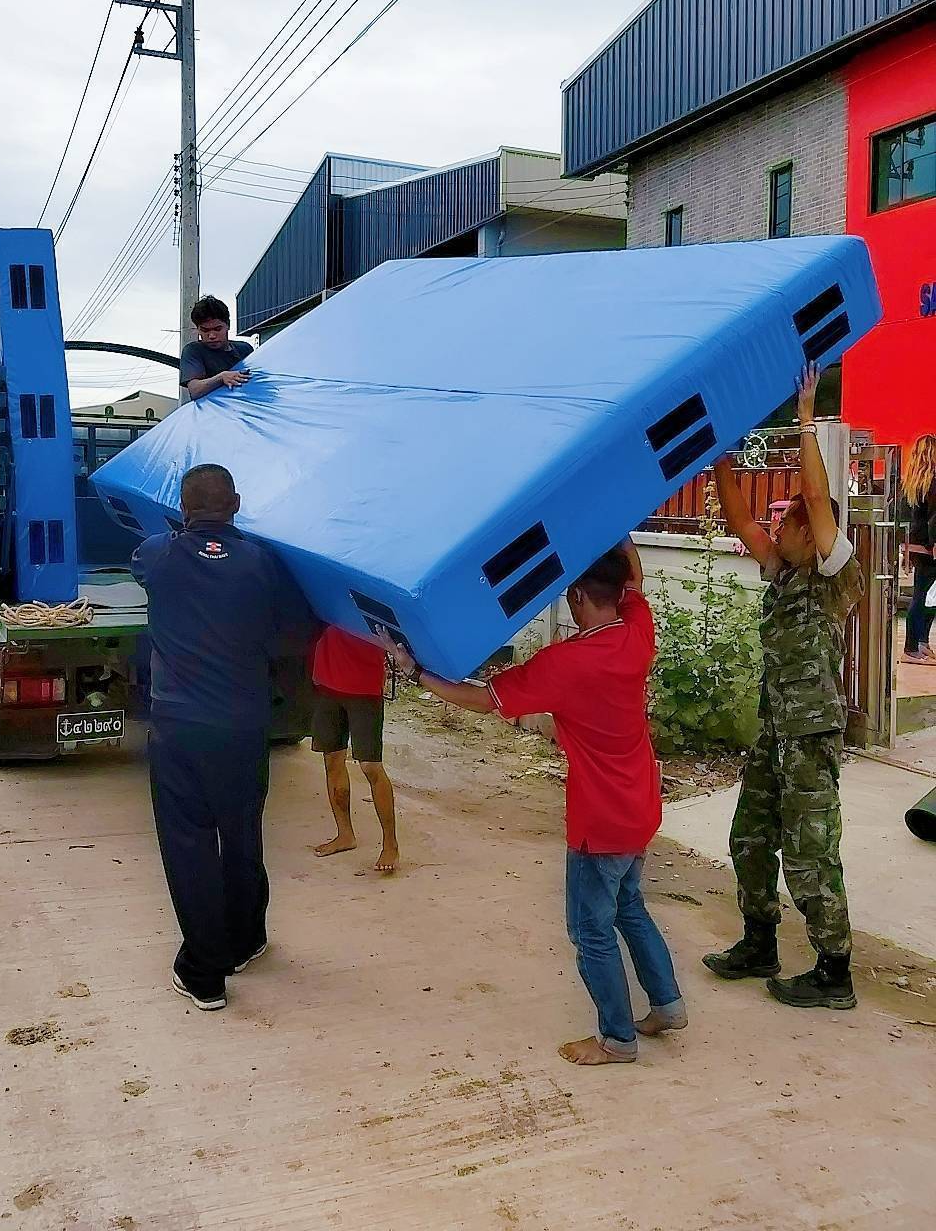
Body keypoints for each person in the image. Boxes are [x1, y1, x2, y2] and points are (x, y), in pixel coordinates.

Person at [381, 538, 686, 1069]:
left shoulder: (566, 664)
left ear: (576, 596)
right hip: (640, 806)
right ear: (617, 593)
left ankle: (617, 1040)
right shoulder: (636, 631)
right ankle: (668, 1005)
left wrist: (414, 672)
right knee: (629, 906)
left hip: (600, 820)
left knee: (590, 929)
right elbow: (634, 578)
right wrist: (615, 525)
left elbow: (485, 699)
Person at [705, 365, 863, 1010]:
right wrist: (719, 454)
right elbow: (741, 520)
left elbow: (818, 499)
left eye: (788, 525)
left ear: (808, 532)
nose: (778, 533)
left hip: (811, 734)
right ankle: (759, 941)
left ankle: (834, 970)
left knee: (810, 849)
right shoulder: (785, 573)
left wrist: (805, 419)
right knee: (749, 835)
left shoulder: (834, 574)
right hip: (776, 730)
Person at [132, 464, 317, 1010]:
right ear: (236, 504)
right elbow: (295, 631)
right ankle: (246, 938)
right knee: (241, 833)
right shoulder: (263, 562)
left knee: (188, 843)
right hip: (242, 725)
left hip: (178, 727)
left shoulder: (157, 555)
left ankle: (204, 974)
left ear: (182, 508)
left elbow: (151, 560)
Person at [310, 625, 398, 873]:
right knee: (332, 759)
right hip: (327, 681)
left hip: (364, 686)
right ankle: (345, 835)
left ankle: (390, 844)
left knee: (370, 767)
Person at [901, 434, 936, 665]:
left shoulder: (911, 483)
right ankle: (913, 647)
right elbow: (934, 519)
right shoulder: (933, 483)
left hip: (916, 545)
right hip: (929, 547)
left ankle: (920, 643)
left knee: (924, 594)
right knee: (925, 596)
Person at [180, 295, 254, 401]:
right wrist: (221, 377)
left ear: (228, 325)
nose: (212, 336)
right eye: (205, 330)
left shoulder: (245, 349)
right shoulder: (193, 351)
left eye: (217, 329)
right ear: (198, 329)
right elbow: (195, 390)